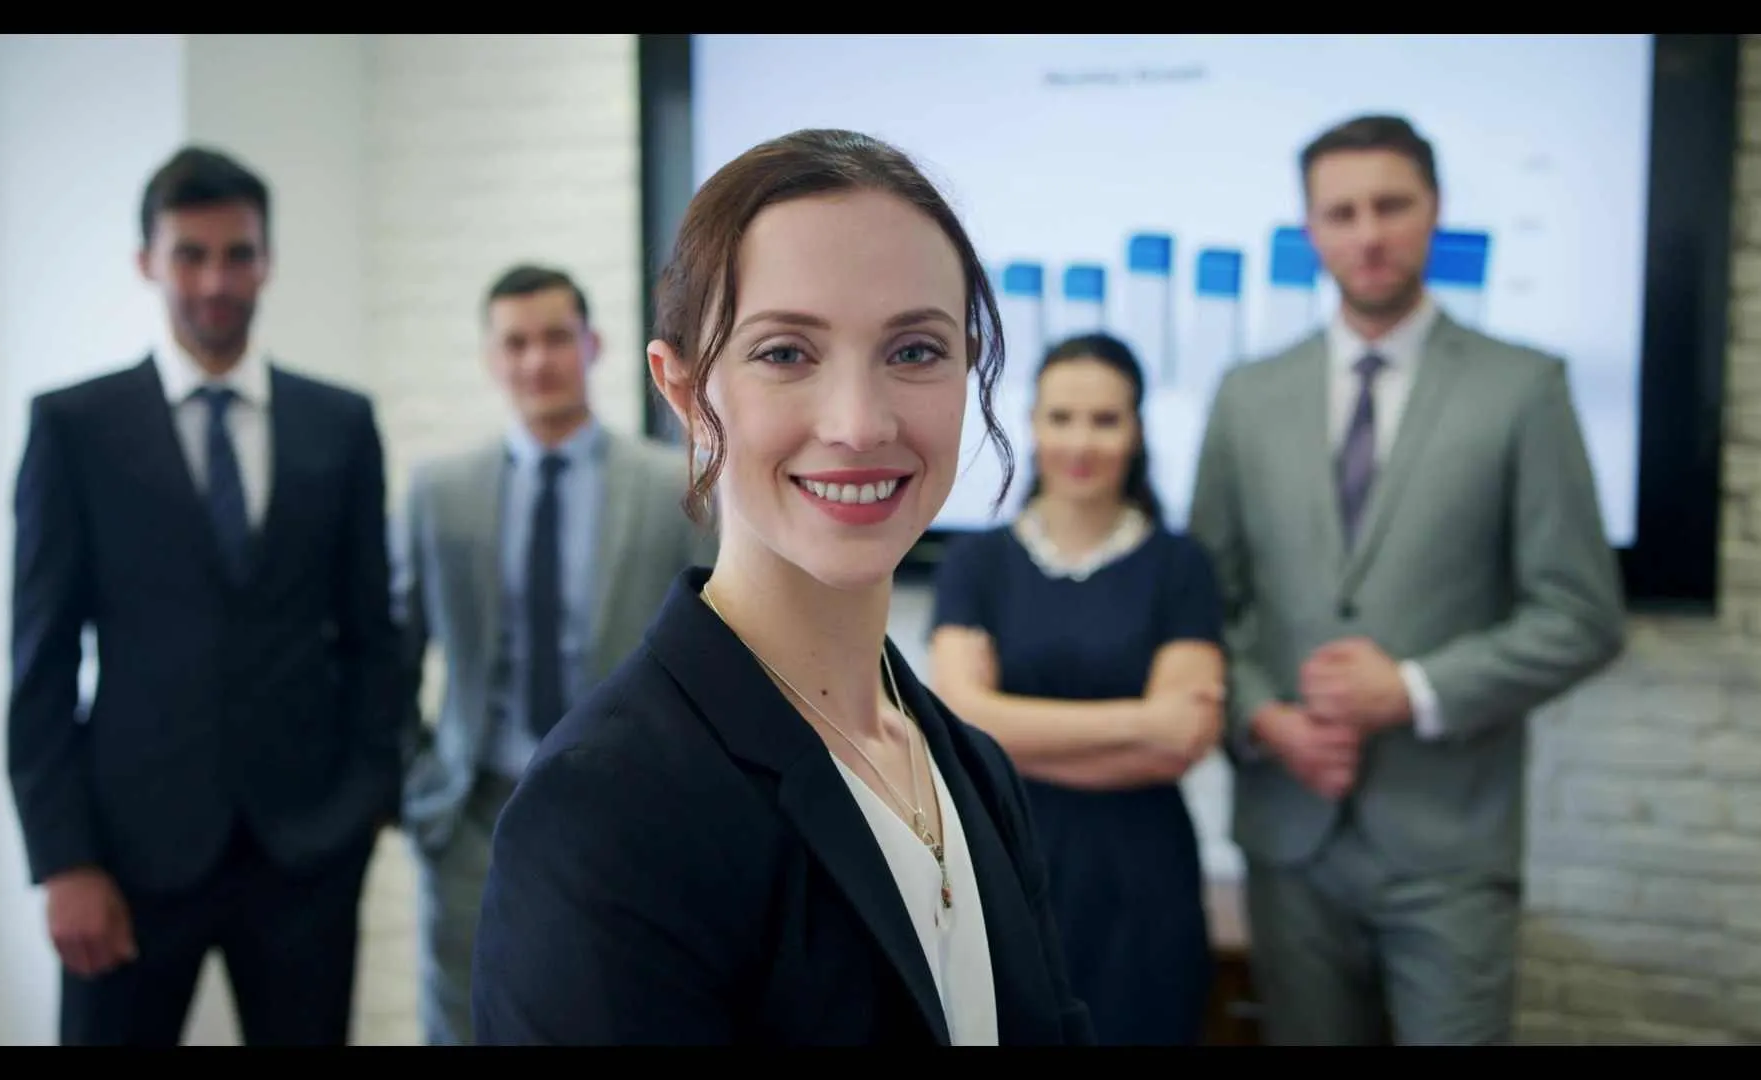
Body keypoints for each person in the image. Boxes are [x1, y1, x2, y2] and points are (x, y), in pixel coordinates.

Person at [468, 127, 1094, 1046]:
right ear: (682, 389)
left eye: (915, 351)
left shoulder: (969, 771)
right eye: (785, 354)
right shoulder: (602, 811)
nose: (858, 423)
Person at [1186, 114, 1627, 1046]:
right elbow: (1205, 606)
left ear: (1436, 212)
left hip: (1451, 847)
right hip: (1287, 837)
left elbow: (1582, 613)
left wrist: (1415, 690)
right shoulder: (1245, 395)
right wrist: (1266, 720)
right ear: (1309, 230)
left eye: (1393, 204)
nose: (1369, 233)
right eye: (1341, 212)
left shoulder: (1524, 388)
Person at [6, 145, 401, 1046]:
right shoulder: (74, 428)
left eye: (237, 253)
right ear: (147, 260)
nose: (215, 280)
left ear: (267, 259)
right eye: (190, 253)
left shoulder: (339, 425)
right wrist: (63, 861)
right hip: (126, 862)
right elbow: (42, 658)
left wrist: (366, 800)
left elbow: (374, 630)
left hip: (307, 855)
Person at [393, 263, 714, 1046]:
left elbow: (713, 649)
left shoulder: (670, 485)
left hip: (627, 815)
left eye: (555, 338)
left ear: (593, 345)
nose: (537, 360)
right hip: (473, 815)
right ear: (491, 358)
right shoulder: (439, 493)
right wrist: (416, 785)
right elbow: (391, 656)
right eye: (516, 342)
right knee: (465, 1021)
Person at [928, 332, 1224, 1045]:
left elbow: (1182, 741)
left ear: (1138, 430)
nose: (1080, 441)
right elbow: (961, 721)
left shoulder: (1181, 565)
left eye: (1104, 419)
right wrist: (1142, 721)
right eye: (1061, 417)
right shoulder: (977, 562)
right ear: (1031, 424)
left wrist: (1011, 729)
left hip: (1142, 876)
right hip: (1007, 861)